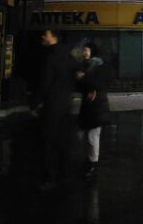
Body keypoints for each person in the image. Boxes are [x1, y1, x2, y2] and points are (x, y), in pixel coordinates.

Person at [36, 29, 77, 190]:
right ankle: (64, 176)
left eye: (45, 34)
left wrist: (36, 102)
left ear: (53, 38)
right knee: (63, 142)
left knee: (48, 143)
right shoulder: (68, 56)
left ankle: (49, 178)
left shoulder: (50, 56)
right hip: (65, 105)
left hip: (52, 105)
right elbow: (76, 75)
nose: (43, 37)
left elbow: (45, 82)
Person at [75, 41, 110, 179]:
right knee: (83, 134)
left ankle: (93, 164)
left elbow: (98, 83)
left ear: (92, 52)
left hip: (97, 106)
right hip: (88, 106)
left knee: (92, 137)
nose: (84, 53)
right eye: (83, 50)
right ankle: (88, 161)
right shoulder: (85, 66)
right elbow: (81, 86)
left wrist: (84, 78)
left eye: (87, 50)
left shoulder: (98, 66)